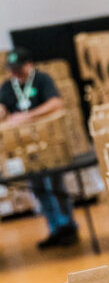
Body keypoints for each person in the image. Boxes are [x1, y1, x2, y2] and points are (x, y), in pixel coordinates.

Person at [0, 47, 78, 248]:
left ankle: (67, 225)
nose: (15, 73)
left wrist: (29, 116)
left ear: (29, 65)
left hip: (49, 146)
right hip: (25, 151)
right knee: (39, 189)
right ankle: (54, 229)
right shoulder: (8, 87)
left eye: (18, 69)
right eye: (12, 70)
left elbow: (56, 103)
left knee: (56, 185)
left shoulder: (42, 79)